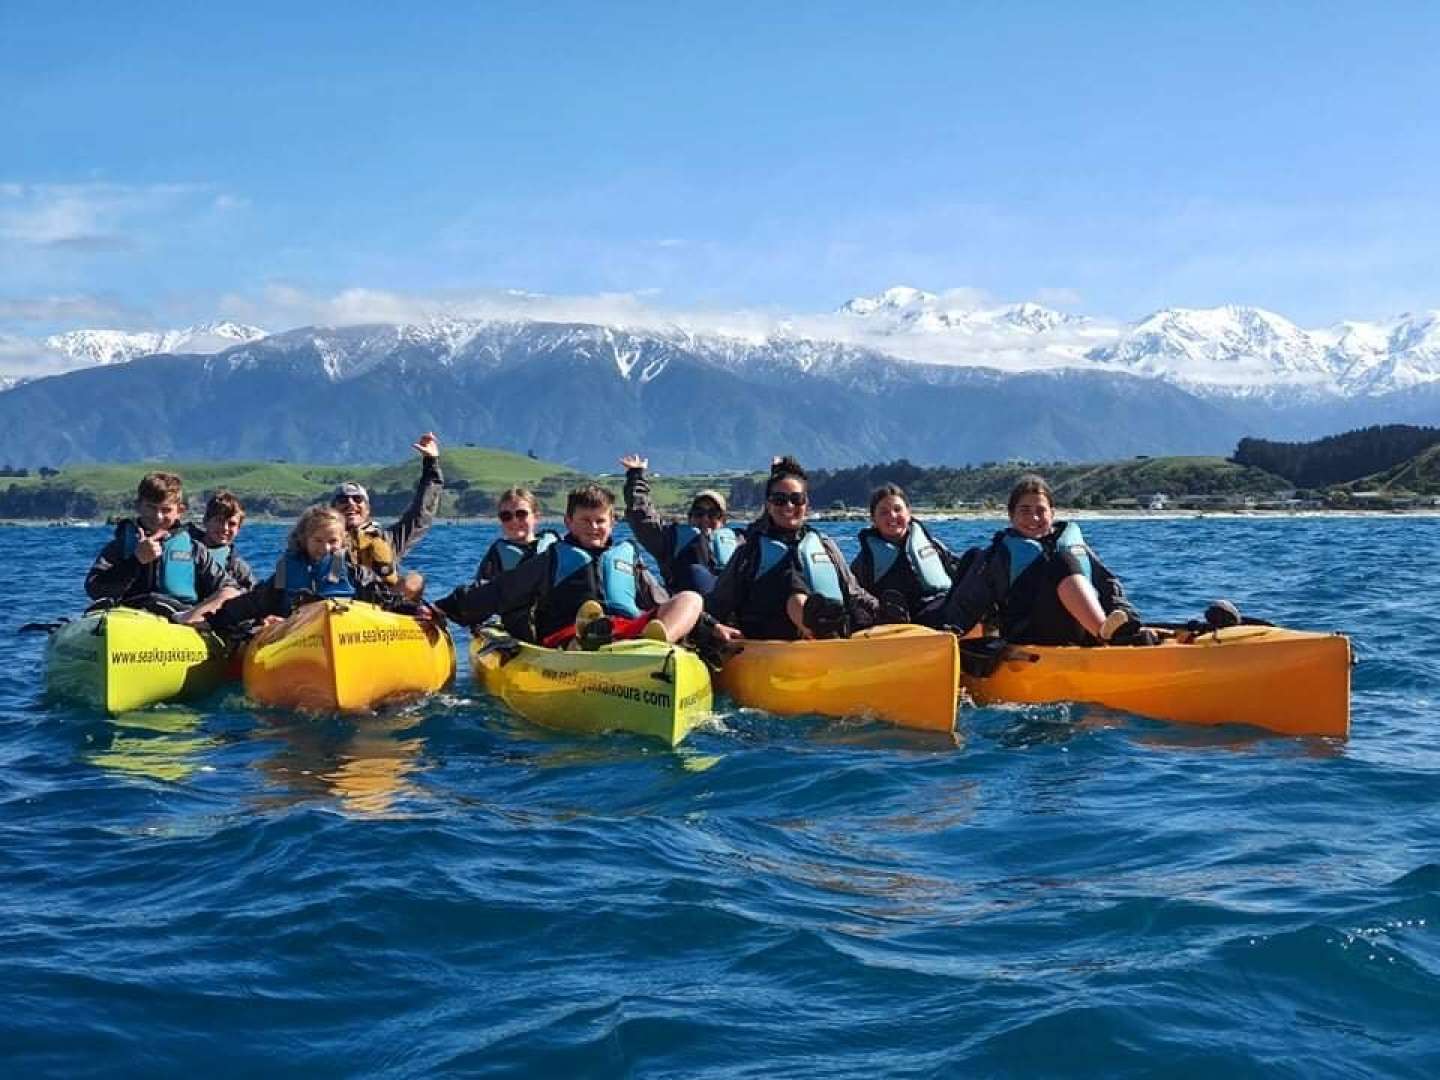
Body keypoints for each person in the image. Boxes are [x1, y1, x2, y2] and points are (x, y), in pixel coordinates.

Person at [434, 482, 705, 648]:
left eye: (600, 521)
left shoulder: (628, 555)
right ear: (568, 522)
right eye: (585, 521)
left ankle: (660, 645)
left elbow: (660, 598)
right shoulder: (552, 558)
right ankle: (588, 642)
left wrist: (712, 629)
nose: (594, 527)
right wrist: (444, 609)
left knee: (690, 598)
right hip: (568, 637)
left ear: (612, 522)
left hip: (629, 634)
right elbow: (501, 589)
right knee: (588, 624)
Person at [942, 474, 1151, 646]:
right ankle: (1107, 636)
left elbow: (1108, 587)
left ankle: (1113, 634)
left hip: (1080, 632)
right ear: (1011, 515)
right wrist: (946, 638)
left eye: (1040, 511)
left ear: (1052, 513)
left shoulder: (1073, 546)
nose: (1033, 518)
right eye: (1025, 511)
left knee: (1064, 559)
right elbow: (967, 604)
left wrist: (1126, 615)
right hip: (1029, 635)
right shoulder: (995, 556)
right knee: (1061, 562)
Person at [706, 456, 877, 641]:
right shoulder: (749, 552)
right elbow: (718, 603)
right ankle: (814, 628)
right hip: (771, 641)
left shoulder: (824, 545)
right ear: (768, 506)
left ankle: (826, 633)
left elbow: (853, 592)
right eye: (780, 500)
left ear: (806, 504)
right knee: (789, 576)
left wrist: (879, 610)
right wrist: (710, 626)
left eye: (796, 499)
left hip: (832, 636)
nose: (789, 506)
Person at [206, 506, 404, 635]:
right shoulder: (287, 570)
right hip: (297, 634)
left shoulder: (357, 573)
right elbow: (257, 601)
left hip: (345, 635)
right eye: (318, 540)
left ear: (343, 541)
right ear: (304, 539)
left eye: (332, 541)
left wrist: (411, 611)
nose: (325, 548)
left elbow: (385, 601)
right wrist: (217, 620)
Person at [85, 471, 240, 623]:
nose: (158, 516)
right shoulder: (119, 546)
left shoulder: (195, 549)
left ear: (180, 511)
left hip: (178, 617)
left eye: (166, 510)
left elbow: (229, 588)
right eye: (151, 508)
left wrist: (199, 612)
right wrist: (136, 561)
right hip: (128, 616)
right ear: (138, 506)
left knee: (229, 592)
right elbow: (94, 589)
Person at [330, 431, 443, 598]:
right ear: (333, 509)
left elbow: (421, 513)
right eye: (343, 500)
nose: (351, 504)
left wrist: (431, 463)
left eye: (357, 499)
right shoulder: (320, 542)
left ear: (367, 509)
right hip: (335, 606)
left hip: (380, 608)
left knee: (414, 580)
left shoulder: (389, 540)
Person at [620, 454, 743, 595]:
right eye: (699, 513)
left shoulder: (741, 543)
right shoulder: (671, 541)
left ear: (723, 520)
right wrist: (636, 476)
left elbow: (769, 524)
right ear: (690, 518)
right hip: (684, 609)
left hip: (727, 610)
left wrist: (775, 472)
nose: (705, 519)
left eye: (713, 514)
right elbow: (642, 517)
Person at [851, 483, 970, 628]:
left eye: (897, 509)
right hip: (892, 620)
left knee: (975, 560)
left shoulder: (934, 546)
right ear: (874, 520)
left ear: (908, 513)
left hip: (938, 611)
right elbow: (855, 595)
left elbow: (960, 572)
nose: (892, 516)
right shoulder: (865, 561)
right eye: (884, 512)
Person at [473, 487, 560, 583]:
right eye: (506, 516)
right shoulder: (494, 557)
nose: (514, 521)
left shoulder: (554, 548)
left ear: (536, 517)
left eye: (521, 514)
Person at [187, 490, 256, 590]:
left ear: (238, 529)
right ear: (206, 521)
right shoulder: (185, 547)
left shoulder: (238, 567)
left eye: (232, 524)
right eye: (219, 521)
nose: (225, 528)